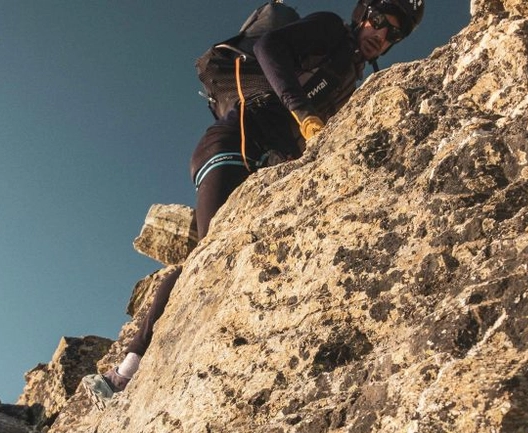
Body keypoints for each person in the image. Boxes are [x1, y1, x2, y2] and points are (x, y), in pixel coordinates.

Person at [83, 0, 425, 402]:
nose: (382, 36)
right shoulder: (331, 30)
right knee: (208, 255)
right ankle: (123, 373)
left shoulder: (353, 76)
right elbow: (268, 49)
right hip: (234, 141)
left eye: (394, 34)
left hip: (270, 159)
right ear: (363, 14)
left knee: (230, 257)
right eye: (381, 22)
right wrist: (303, 112)